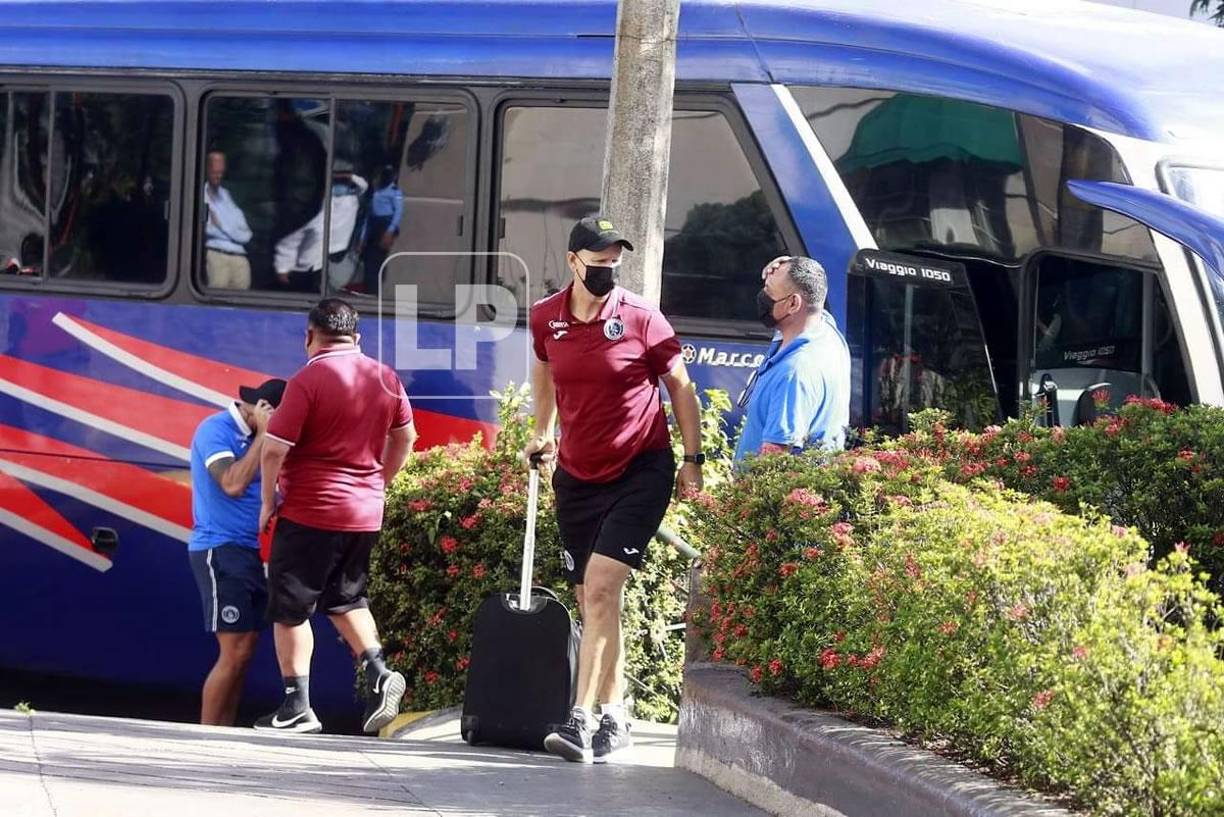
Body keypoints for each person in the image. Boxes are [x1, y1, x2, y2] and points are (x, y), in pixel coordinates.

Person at [525, 216, 703, 764]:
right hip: (577, 477)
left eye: (613, 261)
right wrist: (542, 431)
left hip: (640, 471)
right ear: (574, 261)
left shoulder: (642, 319)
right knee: (593, 597)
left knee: (601, 587)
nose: (607, 270)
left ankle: (580, 719)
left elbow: (681, 389)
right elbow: (546, 374)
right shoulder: (545, 319)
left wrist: (692, 461)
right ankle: (617, 714)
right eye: (597, 261)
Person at [256, 298, 417, 735]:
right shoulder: (385, 377)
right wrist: (379, 482)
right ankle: (380, 672)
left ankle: (296, 706)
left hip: (312, 509)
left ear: (310, 336)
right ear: (356, 338)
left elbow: (273, 448)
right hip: (364, 514)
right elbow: (406, 437)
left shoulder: (308, 379)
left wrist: (269, 500)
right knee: (348, 599)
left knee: (291, 610)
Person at [187, 378, 286, 726]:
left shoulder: (267, 440)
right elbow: (231, 482)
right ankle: (207, 737)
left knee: (245, 652)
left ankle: (223, 736)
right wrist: (263, 436)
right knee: (234, 652)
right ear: (262, 411)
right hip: (218, 549)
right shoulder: (216, 429)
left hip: (247, 551)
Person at [733, 255, 851, 464]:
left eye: (769, 292)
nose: (763, 297)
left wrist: (738, 495)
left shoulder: (795, 372)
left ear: (794, 304)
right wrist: (785, 269)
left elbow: (774, 459)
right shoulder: (826, 332)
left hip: (775, 495)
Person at [203, 151, 254, 289]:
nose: (218, 176)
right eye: (215, 172)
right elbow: (207, 230)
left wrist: (221, 225)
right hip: (217, 257)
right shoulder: (200, 196)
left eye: (221, 172)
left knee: (242, 306)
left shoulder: (227, 195)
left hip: (240, 259)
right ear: (207, 170)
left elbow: (247, 235)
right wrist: (233, 231)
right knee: (217, 304)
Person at [356, 165, 403, 295]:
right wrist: (362, 238)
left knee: (377, 258)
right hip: (373, 225)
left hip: (385, 225)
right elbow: (368, 217)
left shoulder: (394, 192)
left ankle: (374, 291)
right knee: (367, 258)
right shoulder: (375, 192)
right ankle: (368, 289)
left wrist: (390, 231)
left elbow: (398, 212)